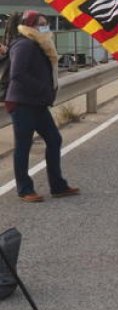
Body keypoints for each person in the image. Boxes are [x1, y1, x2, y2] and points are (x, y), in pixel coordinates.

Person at [3, 11, 78, 202]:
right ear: (30, 26)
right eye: (41, 24)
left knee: (54, 139)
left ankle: (58, 186)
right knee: (23, 146)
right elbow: (17, 74)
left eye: (46, 23)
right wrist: (42, 88)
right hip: (22, 103)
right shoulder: (25, 45)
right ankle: (25, 190)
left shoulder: (39, 44)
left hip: (36, 103)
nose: (46, 27)